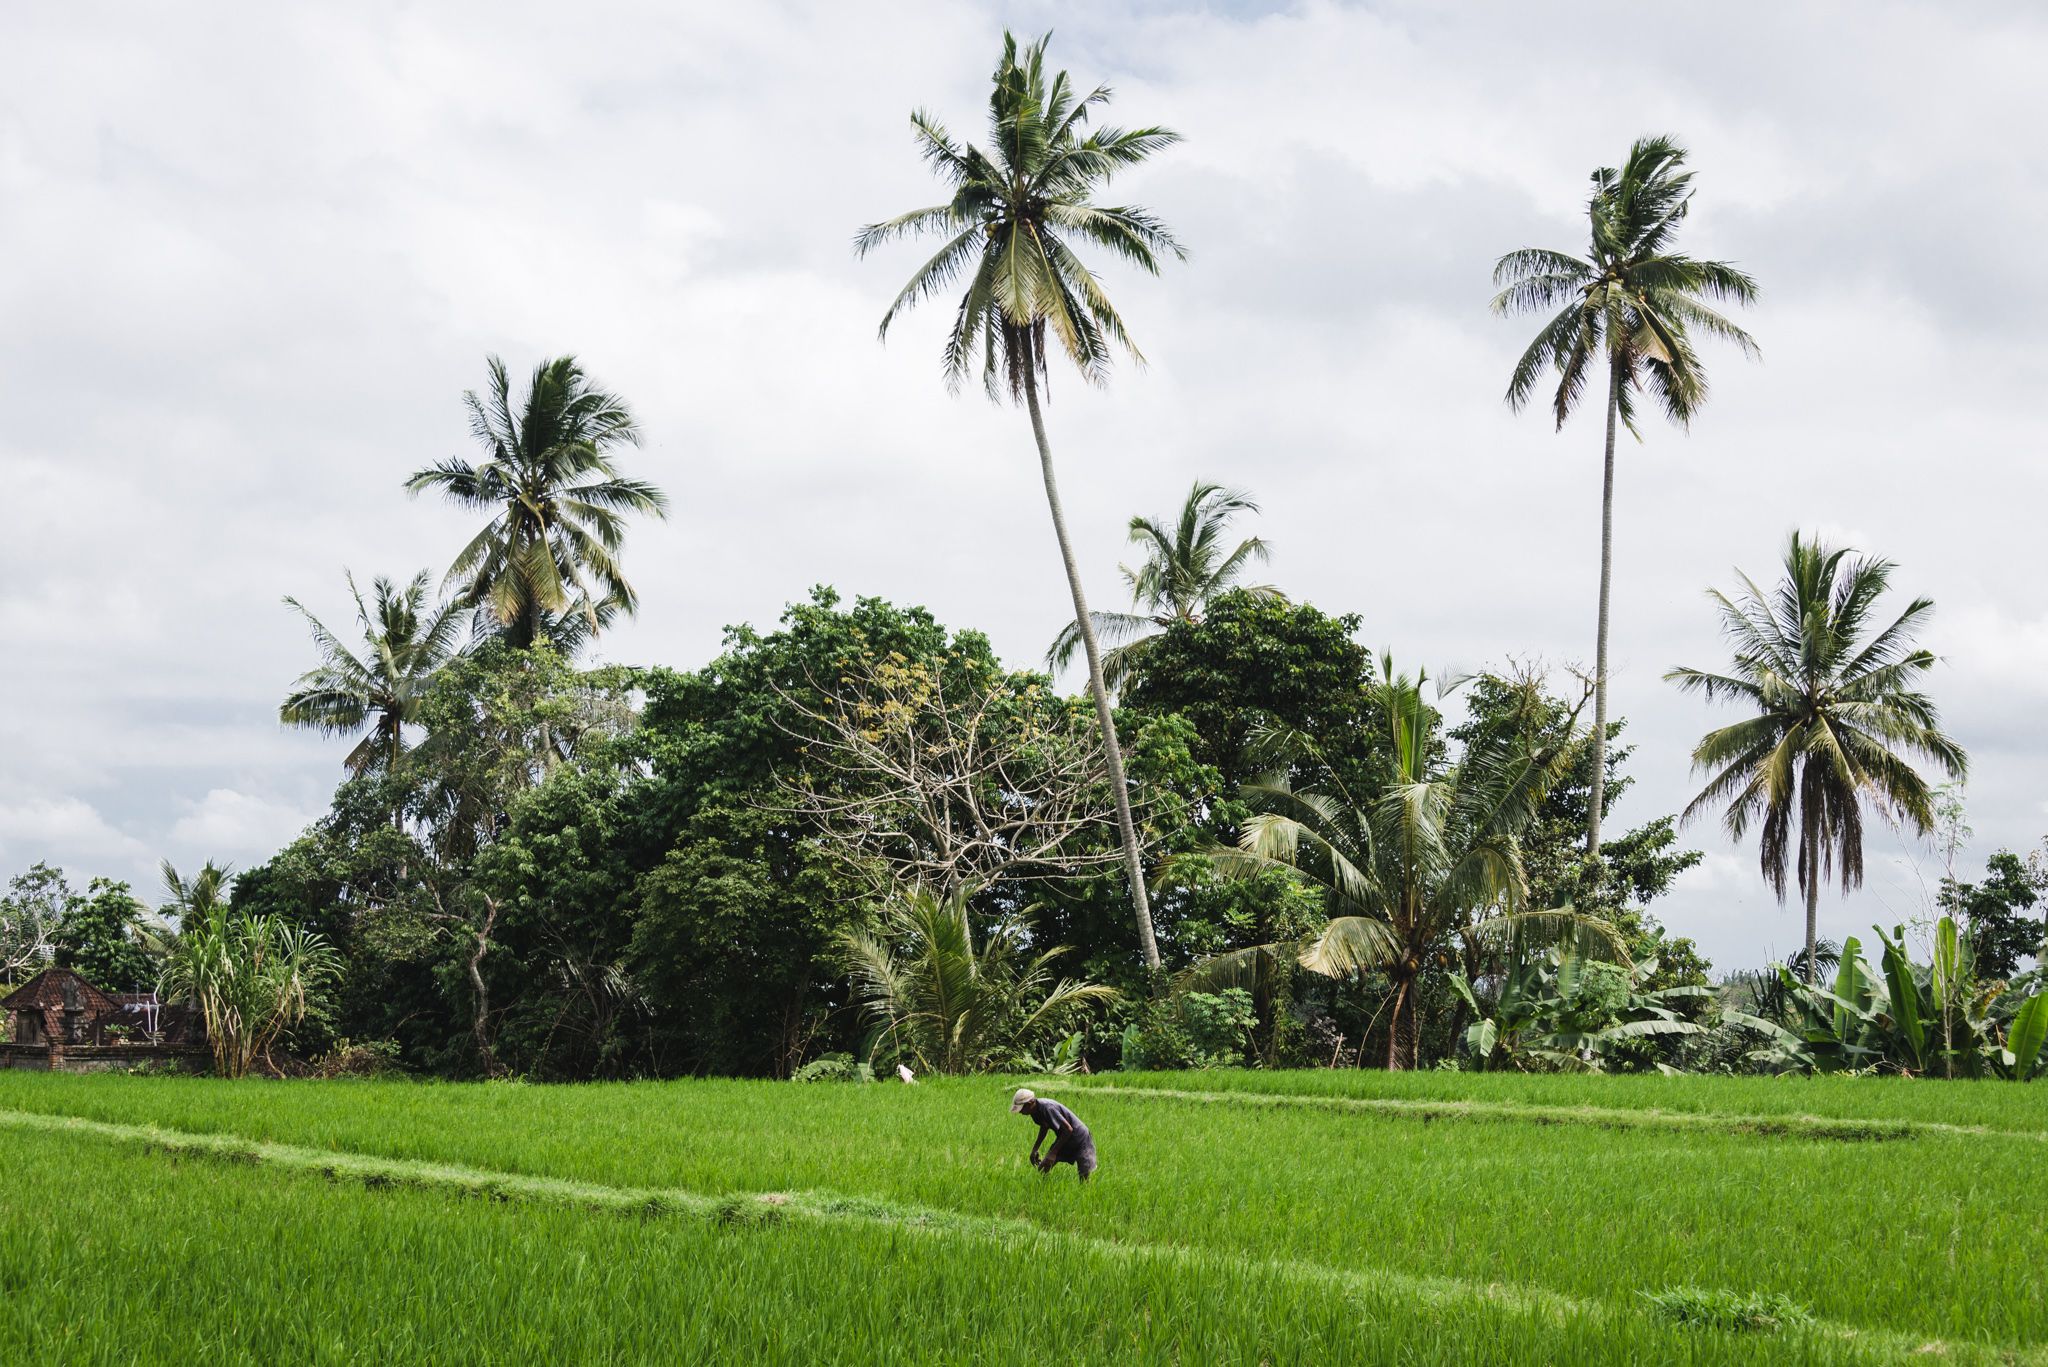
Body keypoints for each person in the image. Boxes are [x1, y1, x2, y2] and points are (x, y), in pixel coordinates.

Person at [1011, 1087, 1096, 1182]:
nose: (1020, 1112)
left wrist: (1053, 1153)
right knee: (1043, 1168)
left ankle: (1085, 1193)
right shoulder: (1034, 1112)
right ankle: (1042, 1190)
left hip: (1080, 1137)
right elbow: (1044, 1126)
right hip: (1064, 1137)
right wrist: (1035, 1149)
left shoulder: (1048, 1108)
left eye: (1022, 1109)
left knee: (1084, 1176)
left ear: (1030, 1103)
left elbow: (1068, 1129)